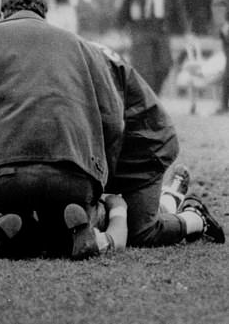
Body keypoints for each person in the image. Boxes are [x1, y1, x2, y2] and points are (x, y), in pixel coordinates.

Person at [0, 0, 125, 259]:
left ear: (2, 14)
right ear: (44, 13)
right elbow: (114, 120)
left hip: (2, 175)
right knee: (61, 226)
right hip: (72, 172)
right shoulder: (84, 47)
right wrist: (97, 179)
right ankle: (76, 230)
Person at [69, 43, 225, 256]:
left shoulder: (77, 57)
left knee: (142, 232)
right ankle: (170, 197)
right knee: (113, 212)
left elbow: (113, 123)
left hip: (144, 142)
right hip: (129, 138)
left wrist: (99, 180)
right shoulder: (75, 49)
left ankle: (196, 218)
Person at [117, 0, 188, 94]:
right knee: (144, 68)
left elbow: (178, 10)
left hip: (161, 29)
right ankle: (145, 100)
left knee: (165, 65)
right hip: (141, 29)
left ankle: (152, 95)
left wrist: (185, 31)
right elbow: (125, 7)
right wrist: (119, 28)